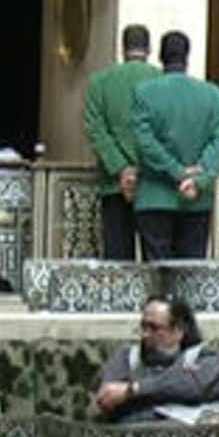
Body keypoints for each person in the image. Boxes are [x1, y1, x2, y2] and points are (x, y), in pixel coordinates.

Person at [130, 29, 219, 261]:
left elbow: (144, 142)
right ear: (187, 56)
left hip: (155, 197)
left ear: (160, 56)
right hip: (196, 200)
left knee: (157, 273)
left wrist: (177, 172)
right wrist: (198, 177)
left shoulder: (144, 93)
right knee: (190, 273)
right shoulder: (212, 94)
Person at [82, 24, 160, 261]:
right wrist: (142, 170)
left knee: (117, 262)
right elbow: (165, 133)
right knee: (156, 262)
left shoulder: (99, 83)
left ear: (122, 48)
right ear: (149, 49)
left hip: (113, 184)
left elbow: (96, 130)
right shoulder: (161, 81)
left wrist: (122, 169)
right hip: (153, 185)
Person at [91, 295, 219, 425]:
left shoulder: (205, 358)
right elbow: (107, 399)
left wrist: (134, 390)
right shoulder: (126, 356)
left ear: (178, 331)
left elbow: (192, 386)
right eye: (143, 326)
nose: (145, 335)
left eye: (154, 328)